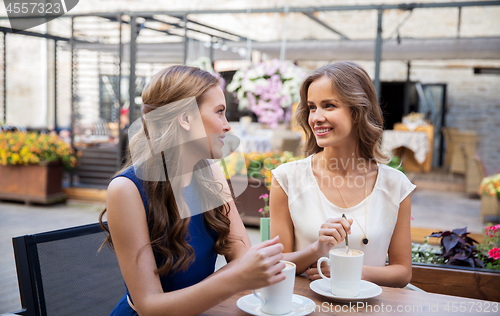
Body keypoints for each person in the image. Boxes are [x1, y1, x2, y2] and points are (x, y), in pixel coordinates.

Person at [99, 65, 286, 316]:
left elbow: (242, 257)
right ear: (185, 119)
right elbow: (149, 306)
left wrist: (249, 269)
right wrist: (239, 276)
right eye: (219, 112)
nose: (227, 125)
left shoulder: (210, 173)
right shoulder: (127, 189)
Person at [270, 61, 415, 288]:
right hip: (304, 307)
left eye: (329, 106)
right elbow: (277, 263)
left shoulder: (396, 185)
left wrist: (349, 271)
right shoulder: (286, 179)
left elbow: (403, 272)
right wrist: (316, 250)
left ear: (358, 112)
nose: (316, 117)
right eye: (312, 107)